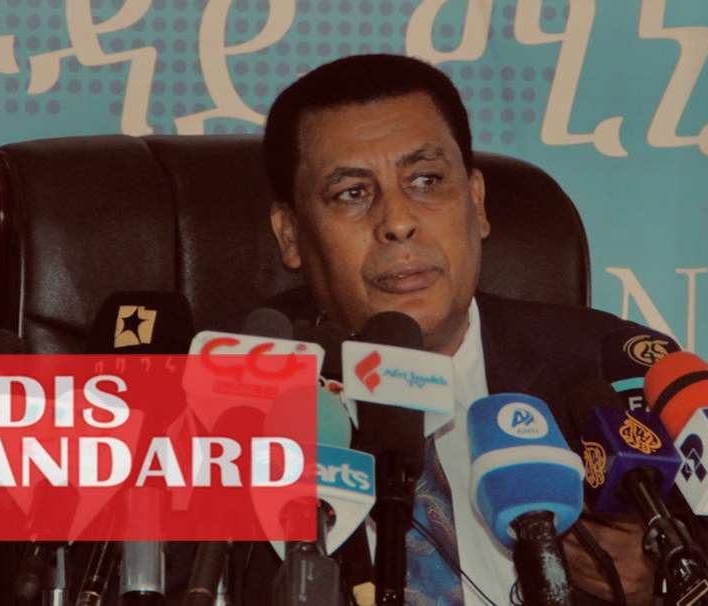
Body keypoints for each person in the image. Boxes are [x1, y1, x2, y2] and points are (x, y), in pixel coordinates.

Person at [236, 53, 653, 606]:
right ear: (290, 235)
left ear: (476, 202)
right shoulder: (225, 409)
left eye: (426, 180)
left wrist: (660, 583)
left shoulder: (609, 370)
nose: (398, 222)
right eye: (353, 193)